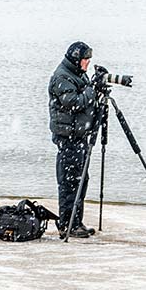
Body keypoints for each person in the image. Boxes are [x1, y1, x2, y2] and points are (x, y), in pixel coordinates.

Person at [48, 41, 103, 239]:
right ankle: (67, 225)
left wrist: (95, 86)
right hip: (68, 138)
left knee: (80, 180)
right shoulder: (62, 77)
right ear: (76, 59)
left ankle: (75, 222)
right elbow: (73, 103)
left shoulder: (77, 74)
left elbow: (84, 98)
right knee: (70, 182)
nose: (88, 63)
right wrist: (92, 89)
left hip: (78, 136)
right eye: (85, 59)